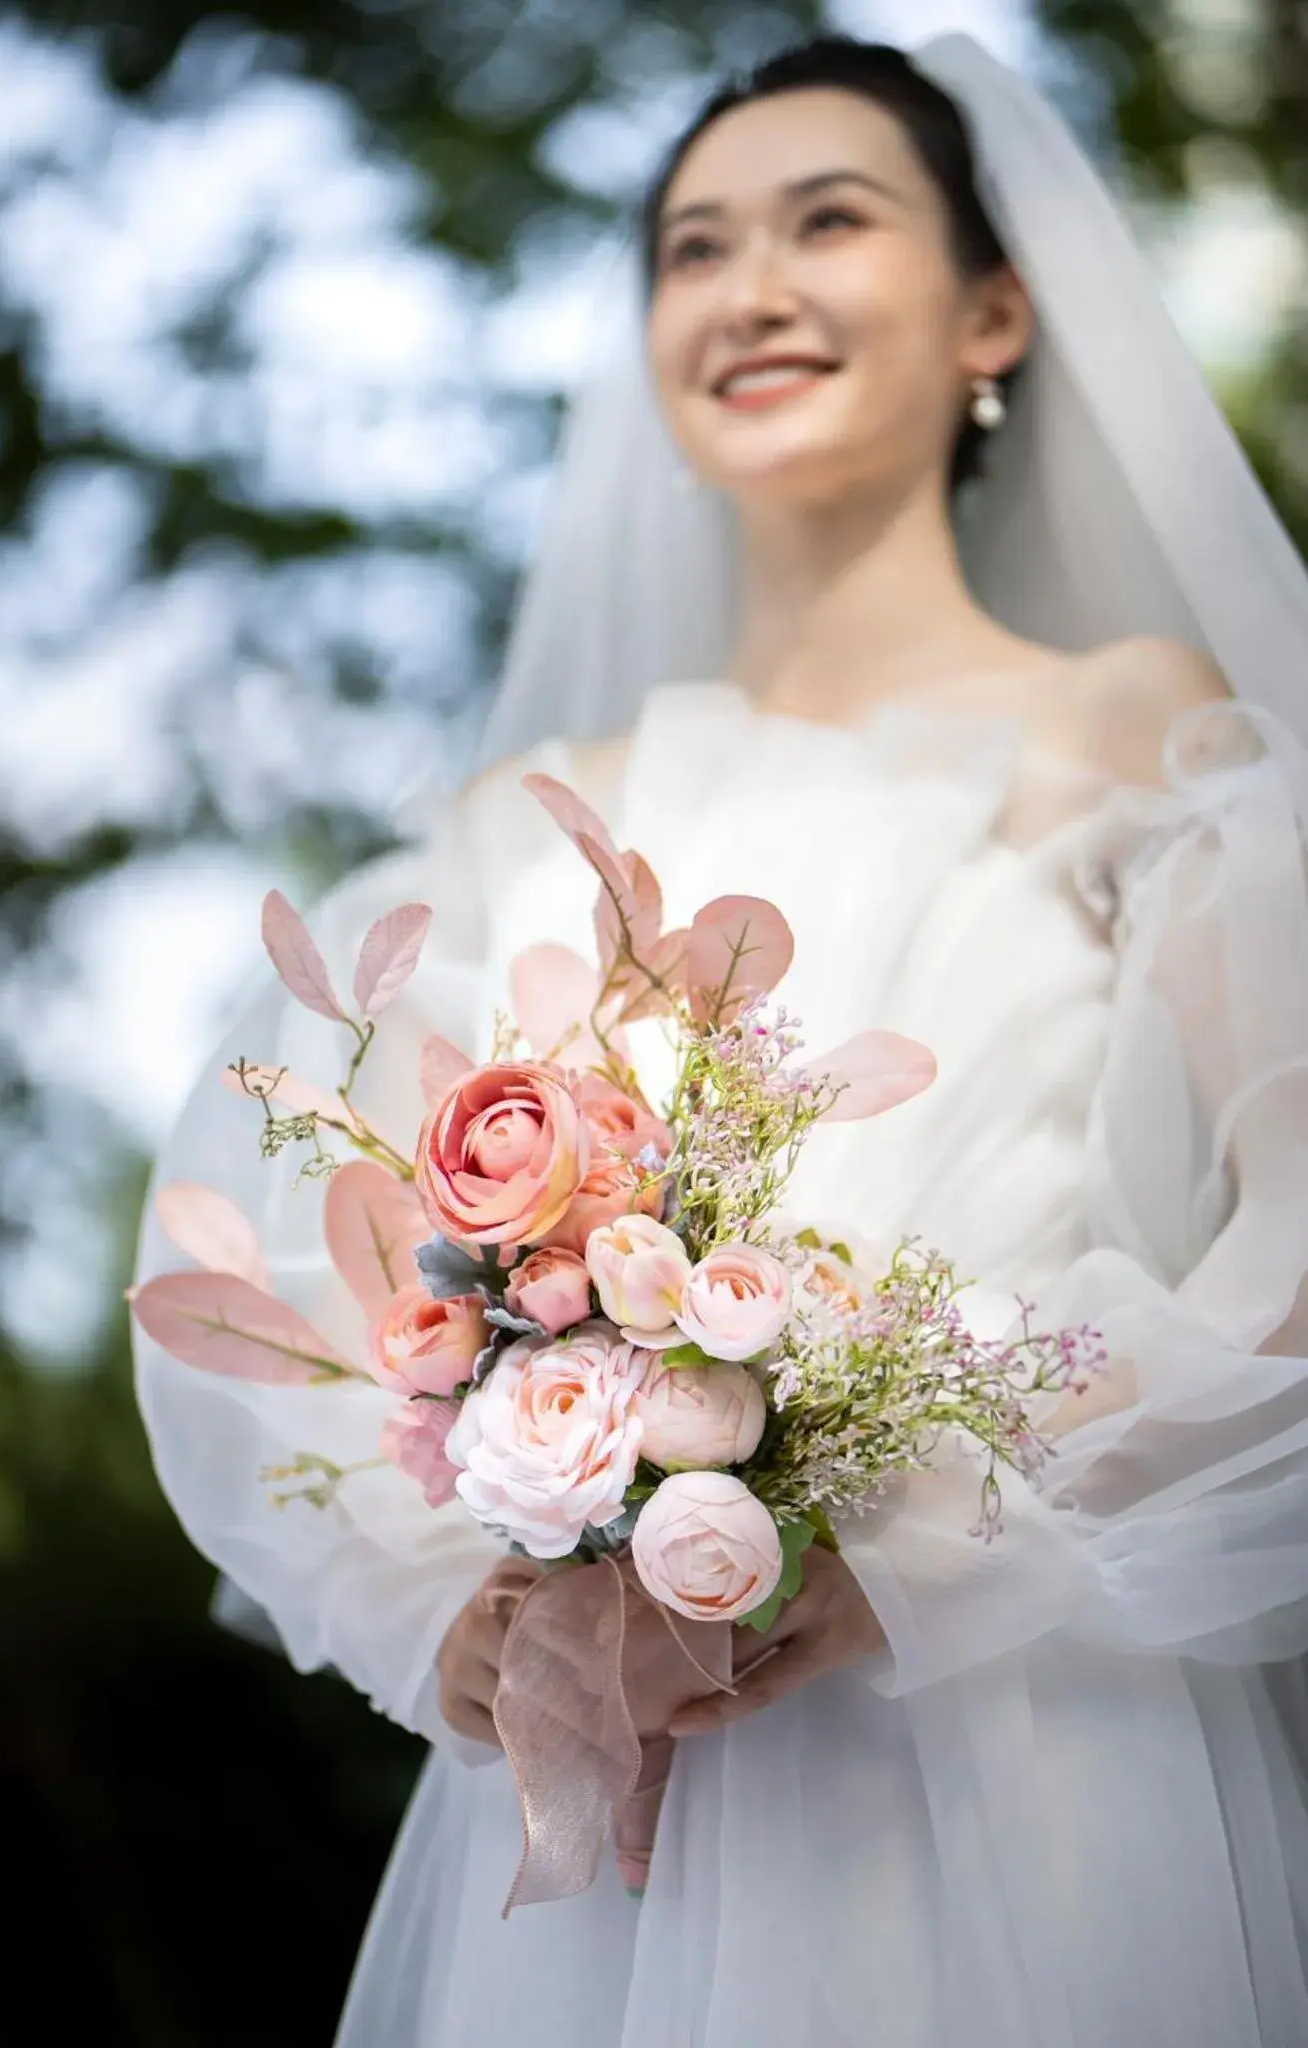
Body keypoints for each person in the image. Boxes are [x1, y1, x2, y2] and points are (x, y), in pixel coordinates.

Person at [133, 33, 1308, 2048]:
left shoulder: (1136, 726)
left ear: (993, 311)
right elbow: (273, 1298)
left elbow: (1289, 1255)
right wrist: (463, 1600)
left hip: (1018, 1755)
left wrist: (930, 1540)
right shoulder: (519, 812)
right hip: (601, 1808)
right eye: (693, 247)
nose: (749, 286)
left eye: (828, 222)